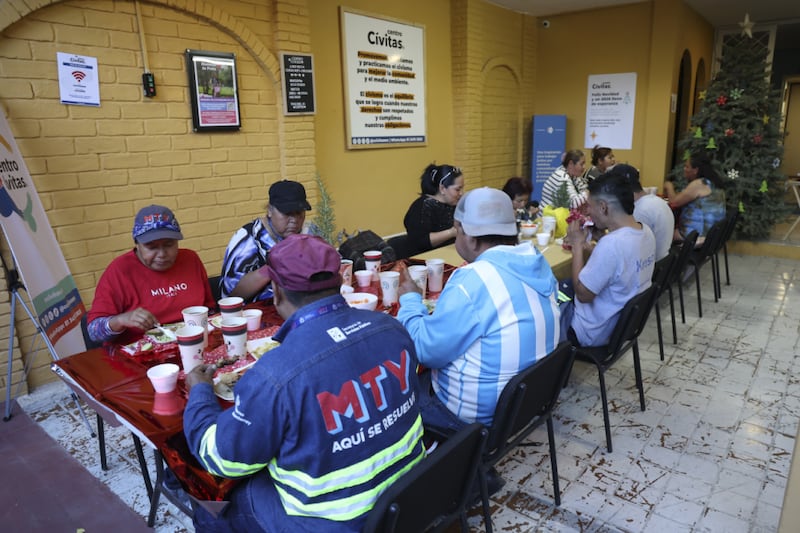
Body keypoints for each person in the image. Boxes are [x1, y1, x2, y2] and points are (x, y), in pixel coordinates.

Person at [184, 234, 425, 532]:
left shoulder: (275, 374)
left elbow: (224, 461)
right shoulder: (392, 327)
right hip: (409, 498)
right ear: (339, 280)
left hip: (340, 522)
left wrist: (200, 392)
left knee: (215, 505)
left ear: (276, 292)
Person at [397, 187, 560, 434]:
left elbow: (425, 350)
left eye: (457, 231)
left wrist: (410, 299)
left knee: (395, 386)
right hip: (526, 405)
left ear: (470, 237)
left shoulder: (473, 280)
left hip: (475, 421)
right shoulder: (537, 262)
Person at [86, 205, 215, 346]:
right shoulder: (120, 270)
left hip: (192, 345)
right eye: (151, 247)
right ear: (137, 244)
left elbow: (210, 310)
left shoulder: (190, 259)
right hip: (139, 354)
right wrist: (120, 320)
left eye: (169, 244)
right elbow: (93, 332)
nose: (162, 254)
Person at [561, 174, 656, 347]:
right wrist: (595, 244)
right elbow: (620, 265)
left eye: (589, 206)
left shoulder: (612, 244)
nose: (587, 212)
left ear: (603, 207)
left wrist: (577, 245)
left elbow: (583, 295)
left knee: (550, 290)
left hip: (590, 332)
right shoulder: (646, 231)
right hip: (621, 326)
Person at [220, 180, 311, 302]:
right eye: (287, 213)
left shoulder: (305, 234)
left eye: (299, 213)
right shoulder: (247, 239)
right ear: (269, 210)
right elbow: (231, 296)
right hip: (254, 315)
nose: (294, 220)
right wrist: (273, 268)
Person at [608, 164, 674, 260]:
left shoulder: (639, 212)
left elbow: (624, 253)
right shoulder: (657, 201)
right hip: (664, 262)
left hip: (650, 266)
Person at [403, 163, 465, 256]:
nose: (461, 193)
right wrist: (451, 232)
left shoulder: (453, 203)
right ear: (442, 188)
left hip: (448, 254)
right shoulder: (422, 206)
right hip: (425, 259)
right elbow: (419, 242)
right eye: (457, 189)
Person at [663, 154, 726, 241]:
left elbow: (674, 202)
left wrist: (669, 186)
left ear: (695, 170)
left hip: (698, 235)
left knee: (662, 233)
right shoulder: (712, 183)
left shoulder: (699, 184)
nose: (684, 169)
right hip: (712, 235)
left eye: (687, 167)